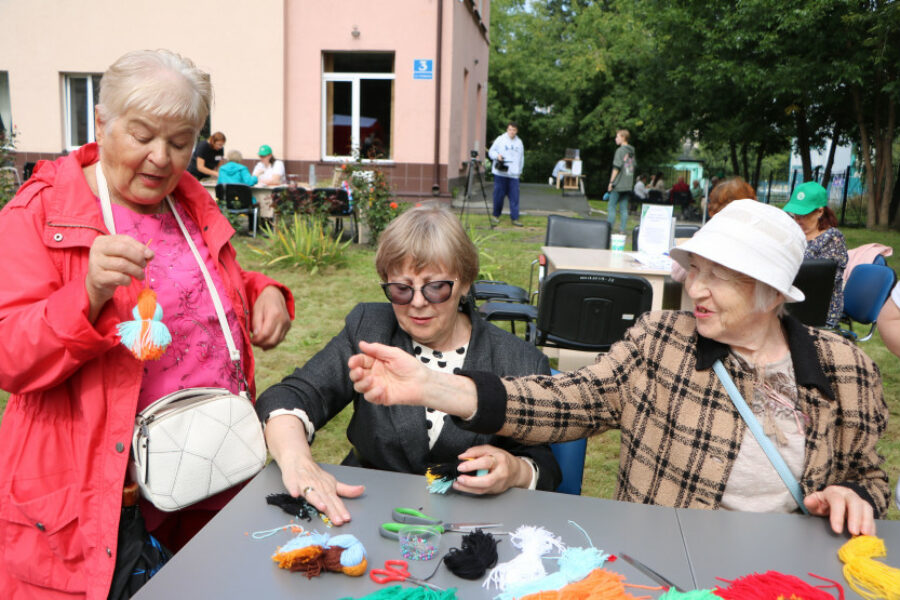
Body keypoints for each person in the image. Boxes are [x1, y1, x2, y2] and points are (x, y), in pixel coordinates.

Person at [349, 200, 889, 537]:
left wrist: (856, 497)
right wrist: (432, 385)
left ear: (772, 293)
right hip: (664, 569)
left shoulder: (846, 369)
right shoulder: (661, 341)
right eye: (695, 269)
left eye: (718, 277)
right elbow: (565, 401)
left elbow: (870, 475)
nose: (694, 289)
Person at [0, 50, 295, 599]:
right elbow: (10, 357)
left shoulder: (186, 201)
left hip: (212, 472)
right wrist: (86, 294)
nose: (161, 158)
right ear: (102, 122)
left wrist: (264, 290)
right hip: (105, 500)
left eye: (180, 142)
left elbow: (199, 280)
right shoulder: (37, 216)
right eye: (142, 136)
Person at [257, 204, 561, 525]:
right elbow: (292, 396)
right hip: (364, 514)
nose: (417, 302)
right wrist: (297, 460)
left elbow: (545, 465)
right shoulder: (370, 328)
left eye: (435, 287)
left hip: (473, 524)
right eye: (401, 289)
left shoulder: (519, 359)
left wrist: (516, 470)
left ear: (466, 282)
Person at [783, 181, 847, 328]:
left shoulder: (832, 238)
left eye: (803, 215)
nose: (797, 220)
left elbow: (821, 281)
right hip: (793, 298)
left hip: (818, 308)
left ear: (820, 211)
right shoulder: (794, 235)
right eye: (795, 214)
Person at [488, 121, 525, 227]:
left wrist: (520, 170)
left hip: (514, 174)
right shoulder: (500, 139)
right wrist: (497, 156)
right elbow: (491, 152)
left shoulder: (519, 142)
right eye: (510, 129)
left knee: (514, 197)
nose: (511, 132)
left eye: (514, 130)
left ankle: (515, 218)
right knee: (498, 196)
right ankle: (495, 215)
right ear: (507, 130)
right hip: (501, 173)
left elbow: (521, 157)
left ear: (516, 131)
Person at [606, 129, 636, 234]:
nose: (616, 139)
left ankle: (608, 229)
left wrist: (611, 182)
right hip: (628, 184)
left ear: (623, 137)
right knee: (624, 208)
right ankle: (622, 229)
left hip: (618, 183)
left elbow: (616, 168)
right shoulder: (632, 151)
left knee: (611, 206)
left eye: (617, 136)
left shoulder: (620, 151)